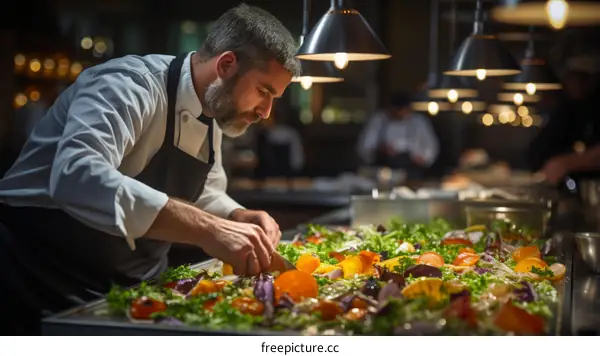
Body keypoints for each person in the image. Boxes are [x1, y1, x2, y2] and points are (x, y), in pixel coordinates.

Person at [0, 4, 300, 335]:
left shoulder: (215, 110)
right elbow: (76, 175)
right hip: (39, 276)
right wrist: (209, 229)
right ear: (227, 65)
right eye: (263, 92)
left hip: (128, 289)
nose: (266, 112)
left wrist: (235, 216)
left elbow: (207, 193)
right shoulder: (129, 85)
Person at [528, 54, 600, 184]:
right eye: (571, 76)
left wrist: (569, 162)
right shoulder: (570, 107)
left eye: (583, 77)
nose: (575, 83)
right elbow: (536, 152)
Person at [357, 91, 440, 180]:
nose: (400, 114)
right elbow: (364, 148)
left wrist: (421, 158)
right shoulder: (378, 120)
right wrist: (381, 149)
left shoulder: (419, 122)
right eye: (397, 111)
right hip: (382, 173)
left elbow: (431, 149)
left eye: (403, 111)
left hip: (410, 173)